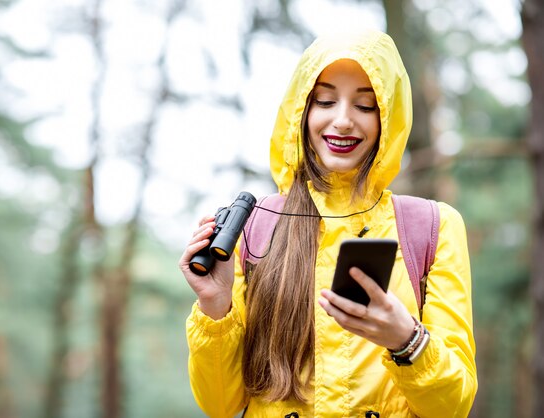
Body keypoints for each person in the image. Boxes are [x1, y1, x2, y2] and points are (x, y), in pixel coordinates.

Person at [179, 29, 477, 417]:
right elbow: (219, 404)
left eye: (366, 106)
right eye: (325, 100)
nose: (342, 121)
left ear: (389, 118)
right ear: (301, 110)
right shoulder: (256, 227)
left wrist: (406, 341)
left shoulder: (434, 228)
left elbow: (453, 406)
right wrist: (215, 306)